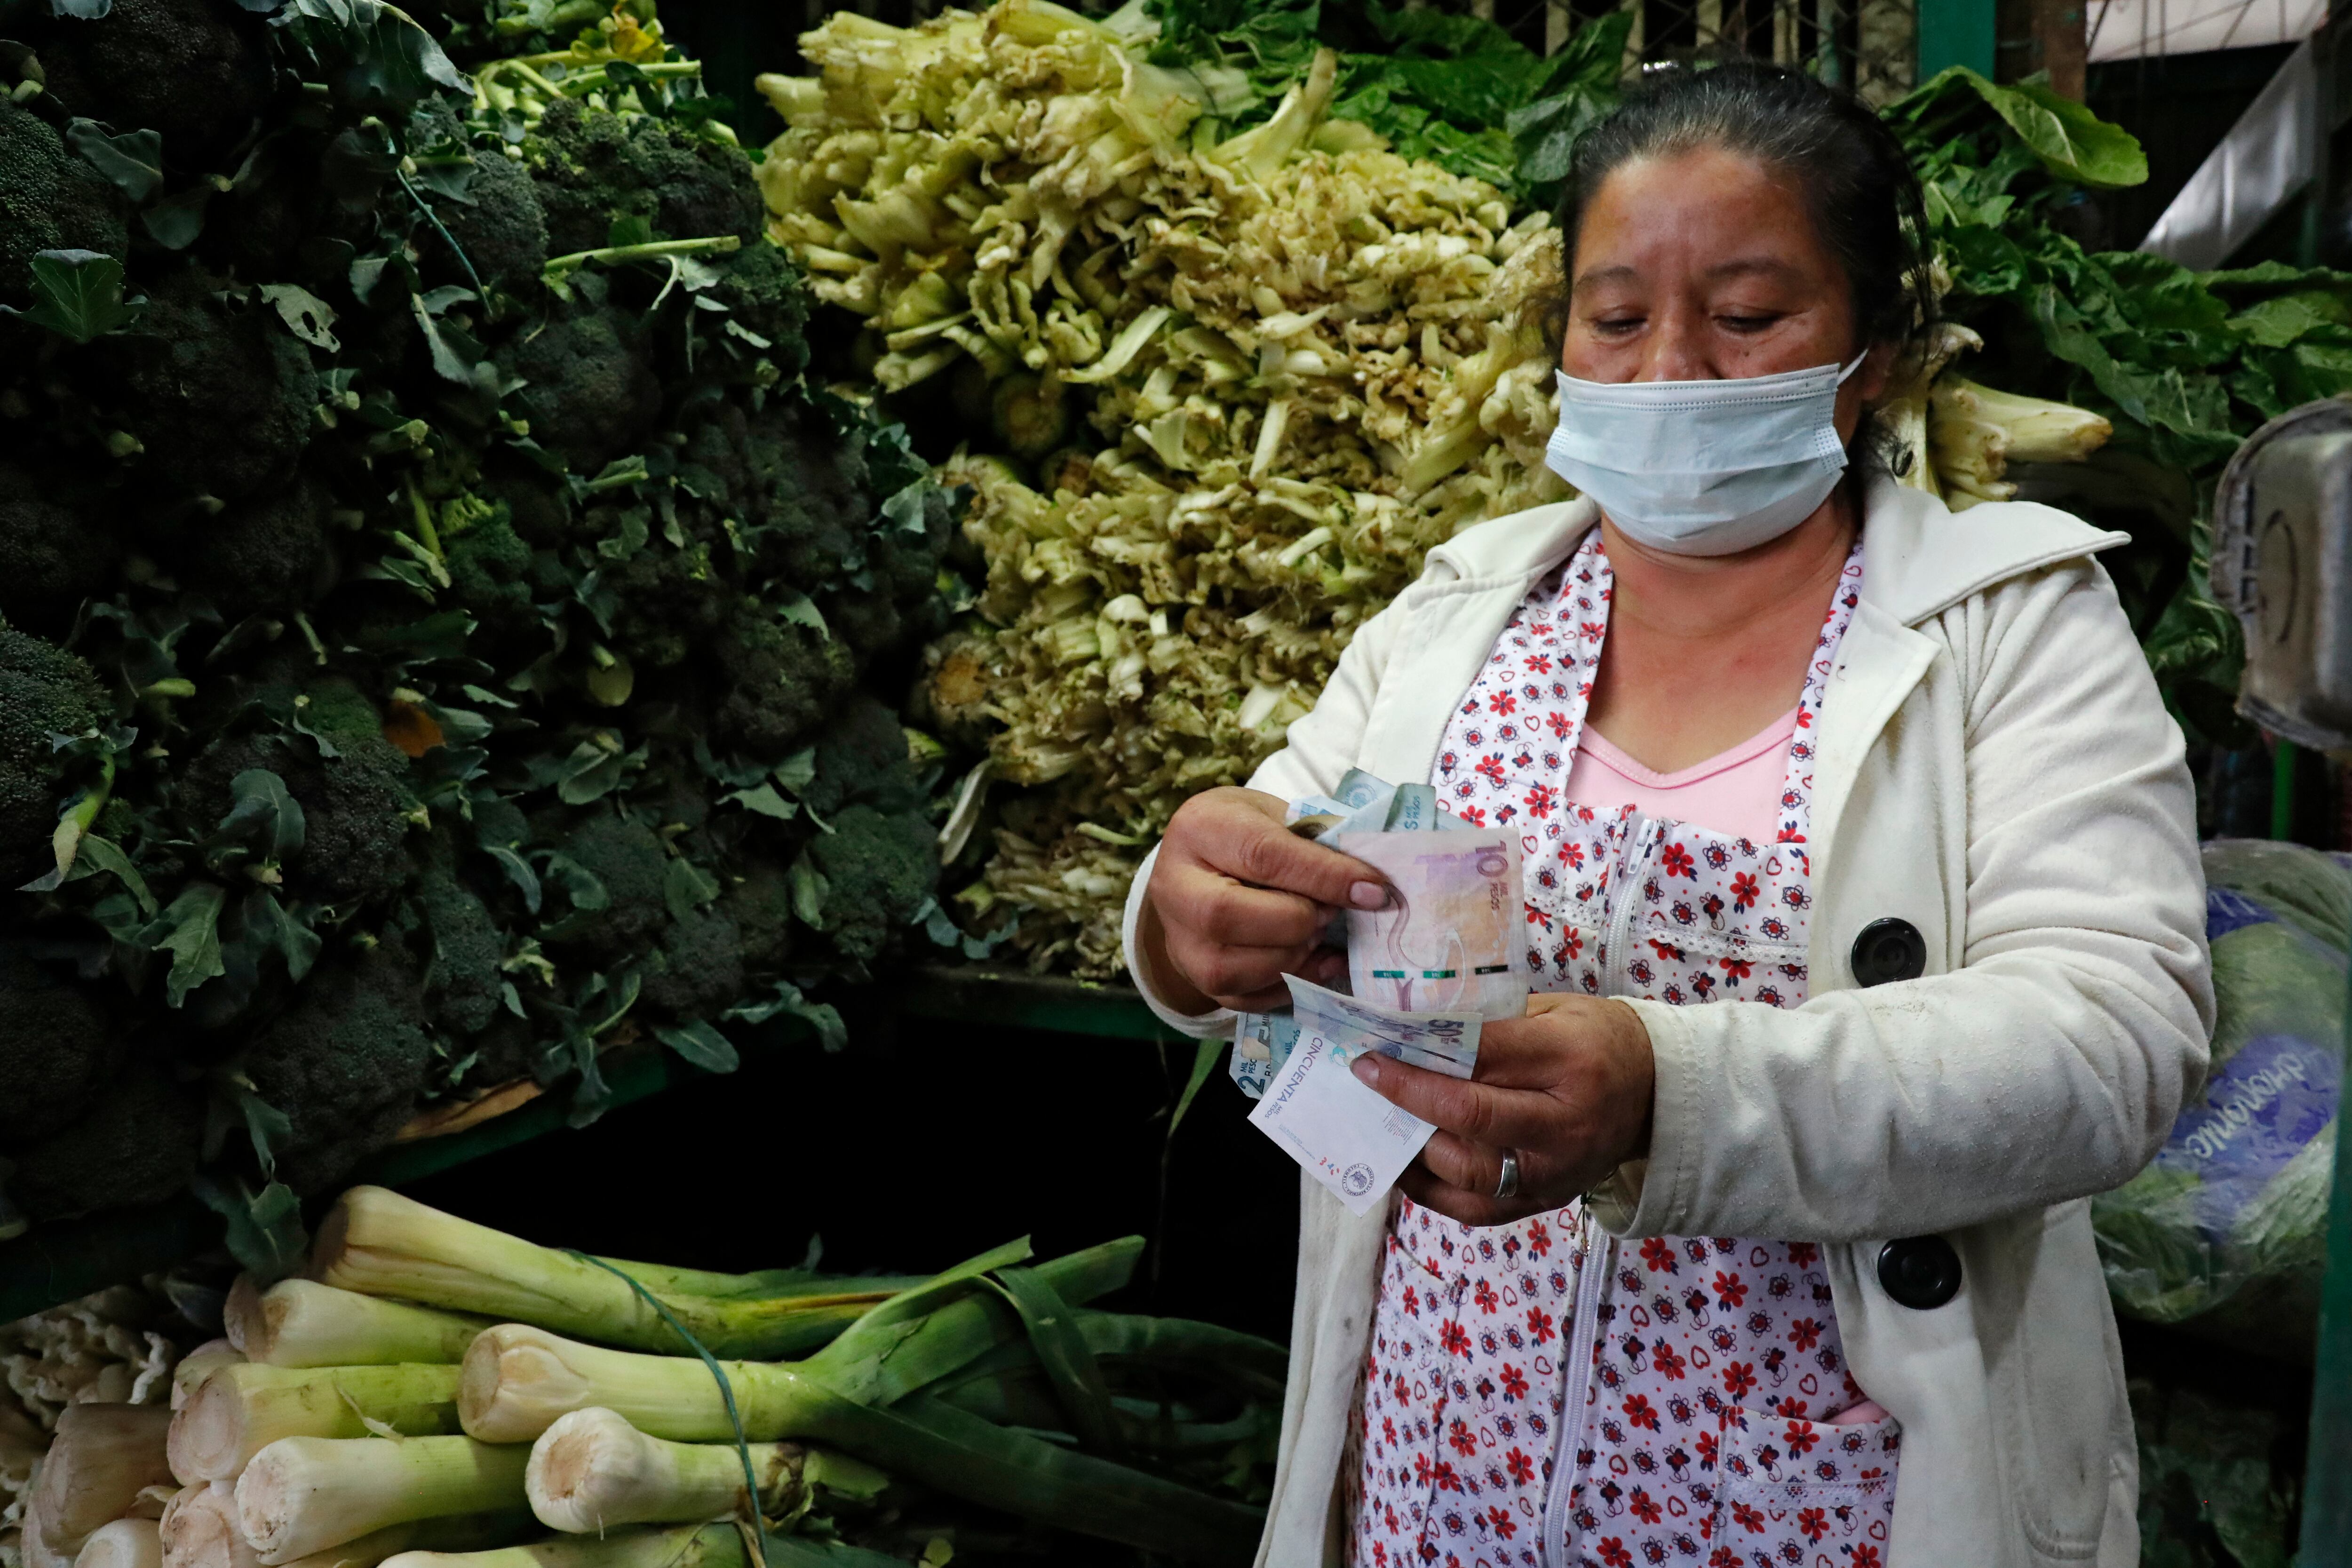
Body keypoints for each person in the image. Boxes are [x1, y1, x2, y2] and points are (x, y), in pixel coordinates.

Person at [1120, 62, 2212, 1568]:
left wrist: (1669, 1093)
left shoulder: (2004, 627)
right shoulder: (1462, 614)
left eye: (1751, 317)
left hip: (1835, 1506)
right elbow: (1265, 875)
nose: (1672, 372)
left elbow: (2110, 1038)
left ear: (1877, 352)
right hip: (1444, 1485)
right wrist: (1185, 926)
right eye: (1617, 318)